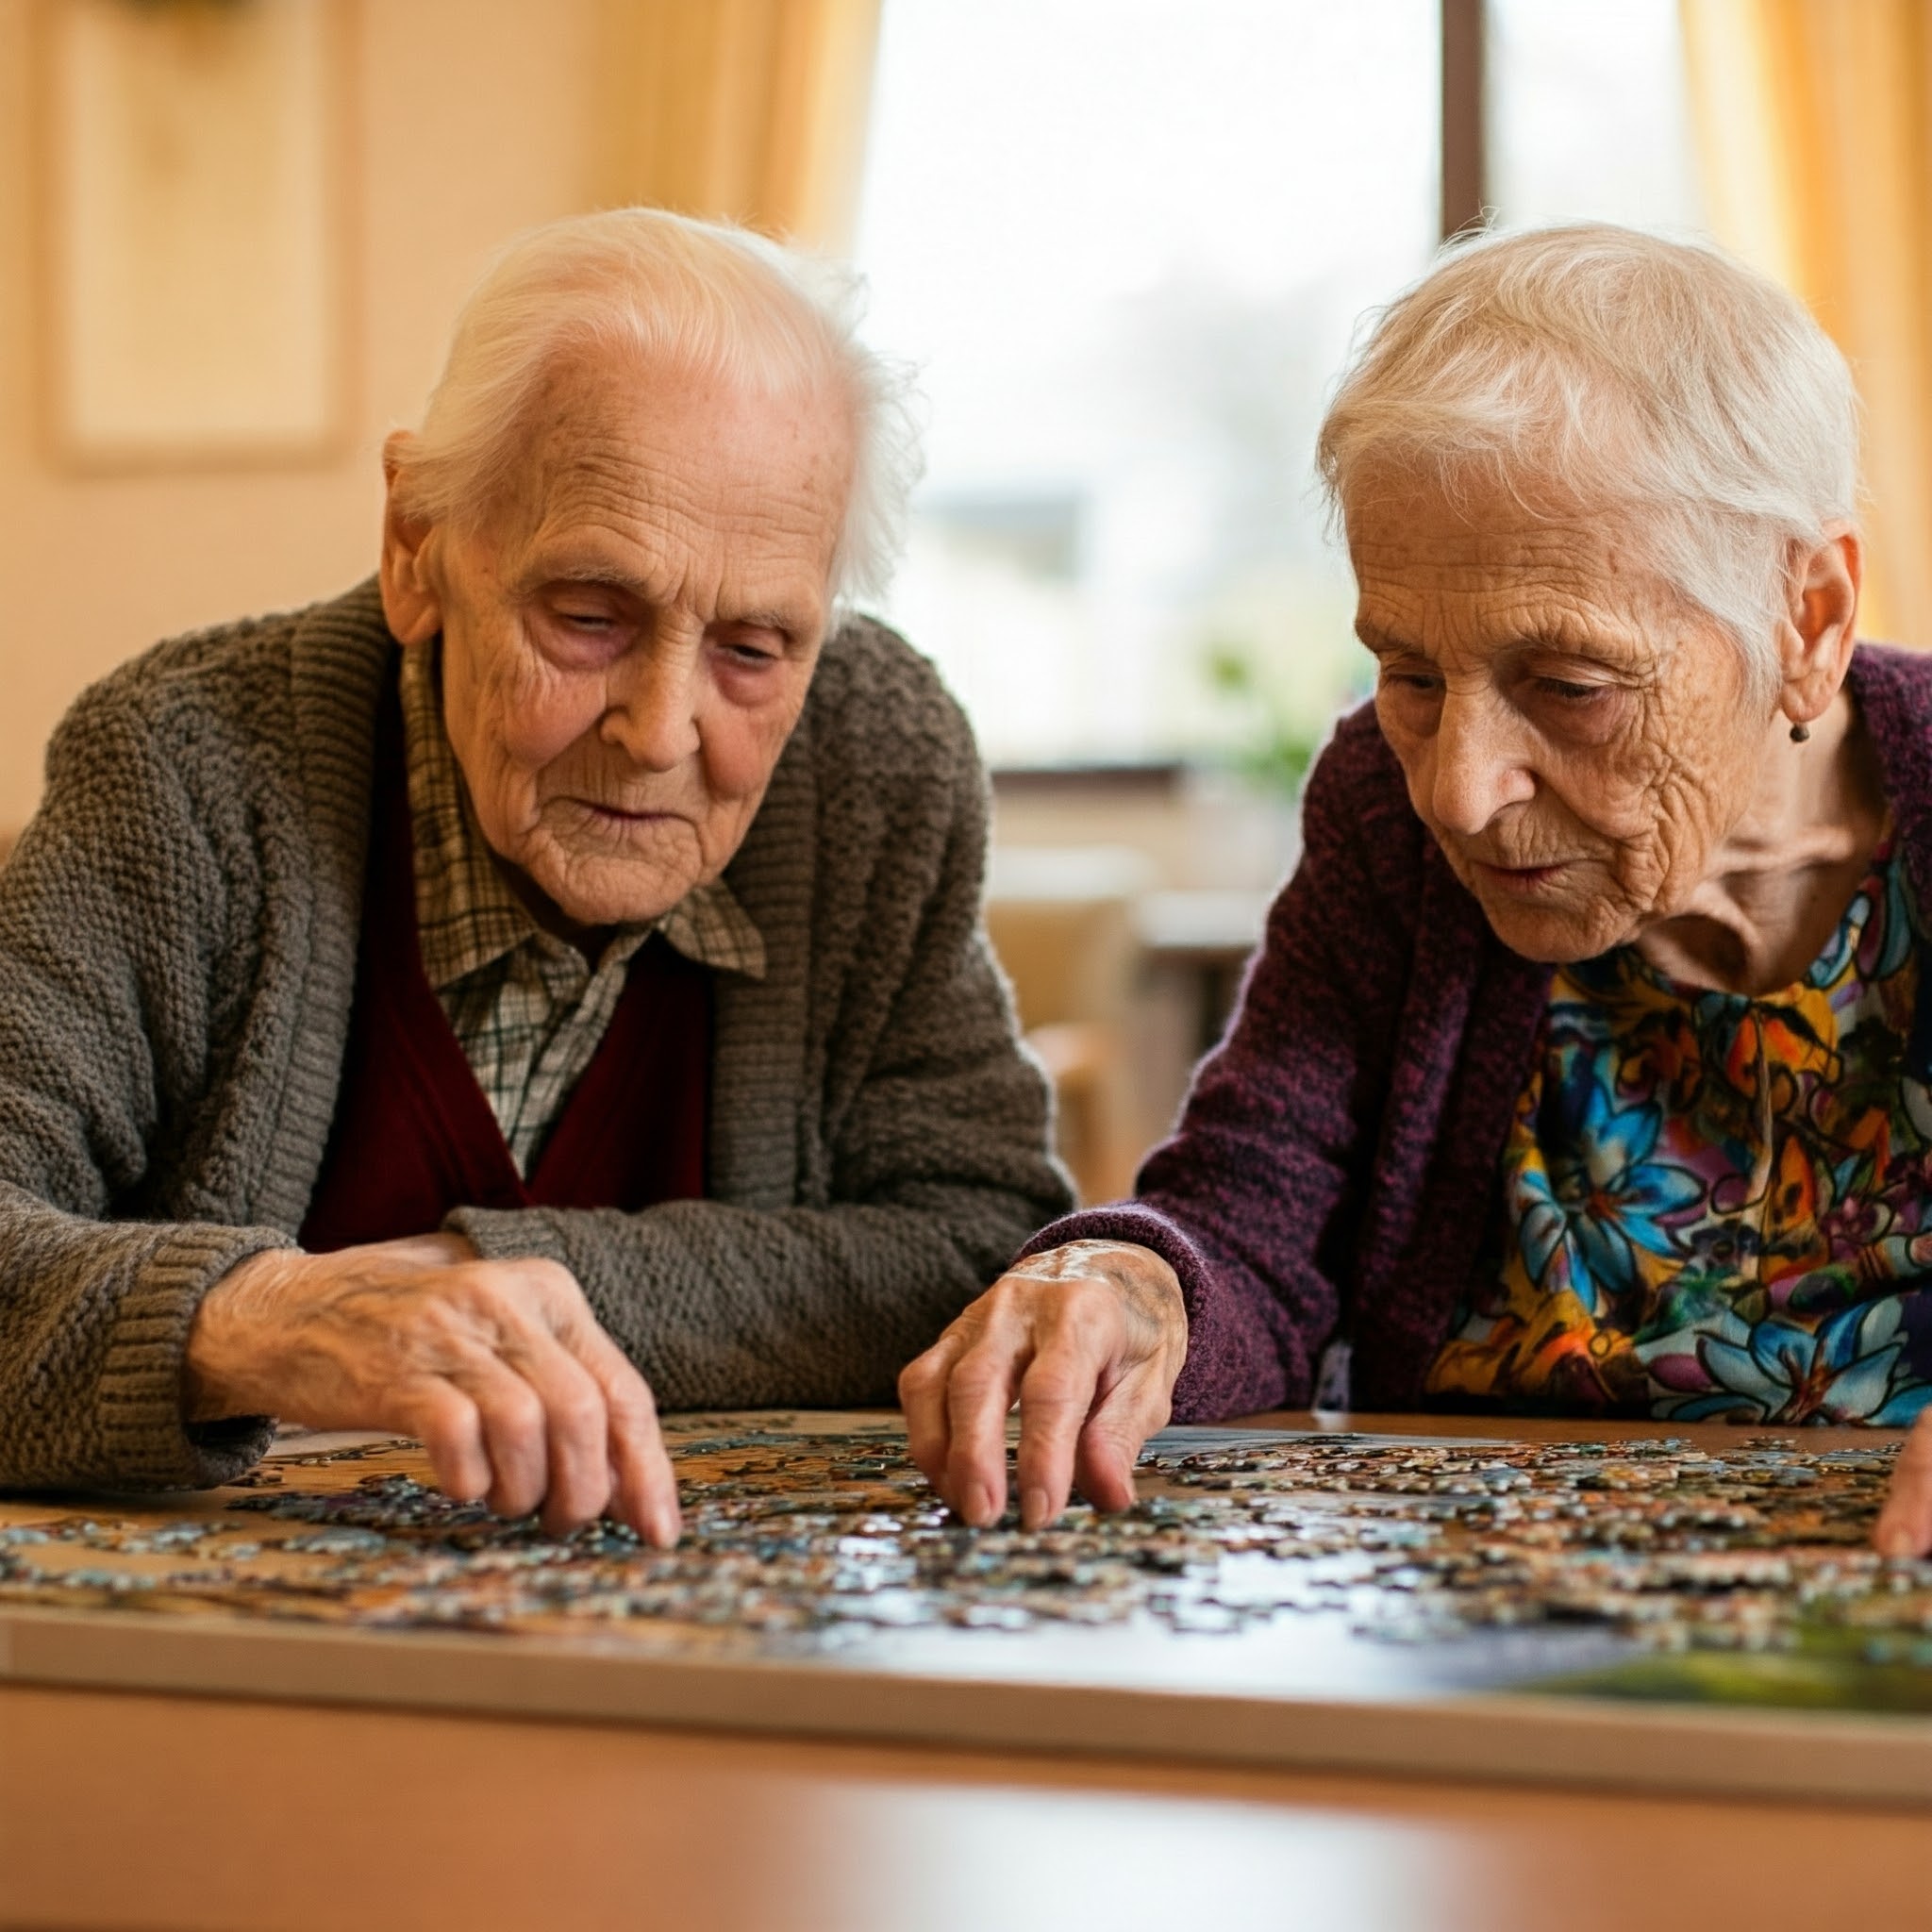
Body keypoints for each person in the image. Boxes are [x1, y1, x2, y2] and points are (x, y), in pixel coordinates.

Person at [0, 208, 1070, 1541]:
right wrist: (269, 1320)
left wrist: (481, 1277)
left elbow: (978, 1242)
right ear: (417, 546)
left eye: (754, 646)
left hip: (717, 1660)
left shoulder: (874, 764)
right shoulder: (188, 773)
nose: (663, 727)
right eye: (589, 616)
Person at [903, 224, 1932, 1557]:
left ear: (1807, 622)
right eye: (1411, 676)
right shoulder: (1385, 812)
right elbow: (1255, 1218)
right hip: (1467, 1647)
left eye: (1569, 686)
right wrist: (1130, 1283)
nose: (1457, 788)